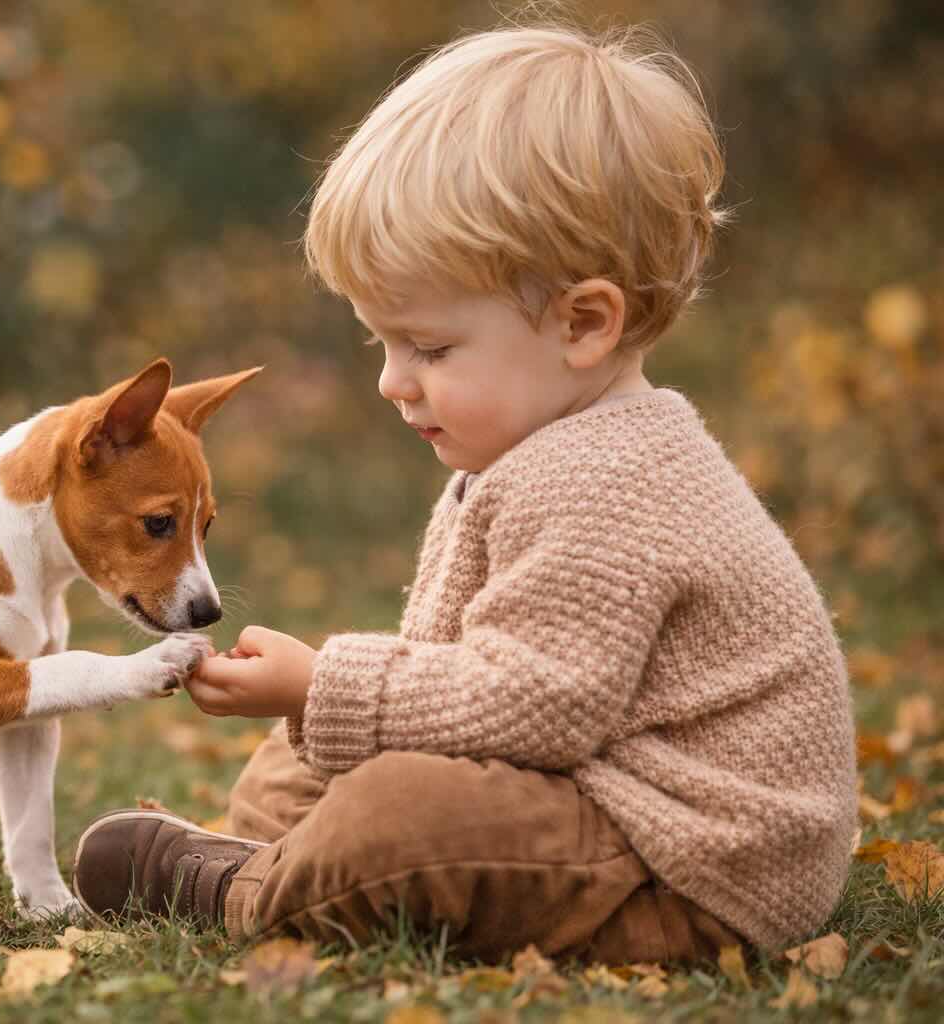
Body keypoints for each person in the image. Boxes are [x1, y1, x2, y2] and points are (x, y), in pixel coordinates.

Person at [71, 18, 857, 963]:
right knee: (309, 749)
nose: (392, 381)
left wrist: (327, 681)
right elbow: (475, 676)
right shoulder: (544, 450)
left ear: (584, 324)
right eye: (383, 343)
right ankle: (276, 859)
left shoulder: (609, 484)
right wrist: (319, 708)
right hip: (596, 801)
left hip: (686, 866)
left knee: (405, 810)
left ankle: (248, 891)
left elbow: (539, 708)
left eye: (431, 348)